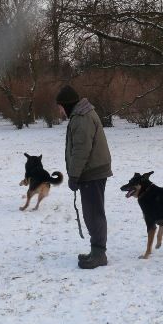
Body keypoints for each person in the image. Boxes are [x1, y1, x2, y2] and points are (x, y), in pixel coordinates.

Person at [56, 85, 112, 269]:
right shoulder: (81, 115)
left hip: (92, 172)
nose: (60, 111)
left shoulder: (81, 118)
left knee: (93, 214)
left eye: (60, 107)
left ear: (66, 104)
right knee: (92, 213)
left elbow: (81, 150)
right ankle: (96, 250)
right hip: (92, 171)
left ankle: (99, 254)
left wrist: (73, 176)